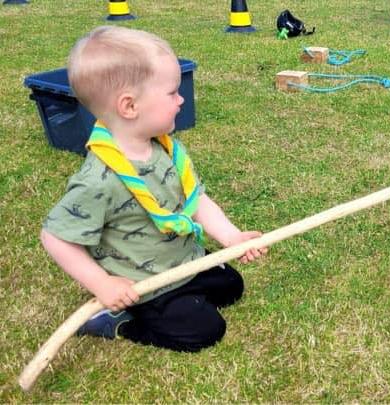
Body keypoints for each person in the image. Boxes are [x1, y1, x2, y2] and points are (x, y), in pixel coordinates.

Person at [40, 26, 267, 352]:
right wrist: (102, 284)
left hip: (185, 261)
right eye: (172, 93)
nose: (181, 99)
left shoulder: (165, 150)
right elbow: (55, 237)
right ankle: (122, 320)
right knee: (204, 330)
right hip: (145, 285)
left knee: (232, 285)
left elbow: (196, 200)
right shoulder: (99, 179)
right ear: (130, 106)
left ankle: (188, 293)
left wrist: (231, 237)